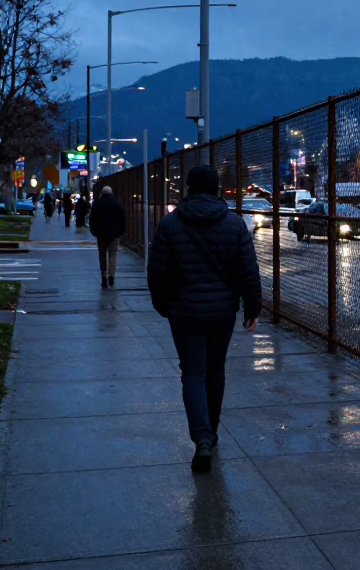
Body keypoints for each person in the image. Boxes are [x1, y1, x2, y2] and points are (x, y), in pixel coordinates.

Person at [148, 165, 261, 473]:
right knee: (215, 370)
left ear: (188, 188)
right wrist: (252, 308)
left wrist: (164, 306)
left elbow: (157, 272)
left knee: (192, 373)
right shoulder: (234, 225)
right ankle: (211, 431)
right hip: (222, 310)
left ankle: (201, 439)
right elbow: (248, 271)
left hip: (183, 311)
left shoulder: (170, 225)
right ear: (215, 189)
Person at [89, 185, 126, 289]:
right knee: (113, 255)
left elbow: (92, 219)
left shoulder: (97, 204)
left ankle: (104, 276)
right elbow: (122, 219)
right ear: (111, 193)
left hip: (100, 234)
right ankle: (111, 276)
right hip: (114, 235)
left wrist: (94, 231)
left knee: (102, 255)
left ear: (102, 193)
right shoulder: (117, 204)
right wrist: (121, 232)